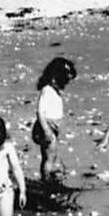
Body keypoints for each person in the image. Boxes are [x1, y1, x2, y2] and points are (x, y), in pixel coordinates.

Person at [32, 56, 77, 186]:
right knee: (49, 157)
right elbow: (40, 112)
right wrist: (46, 130)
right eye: (65, 81)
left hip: (52, 127)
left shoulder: (54, 90)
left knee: (51, 156)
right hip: (47, 127)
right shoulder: (47, 90)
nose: (66, 85)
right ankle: (46, 180)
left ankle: (47, 177)